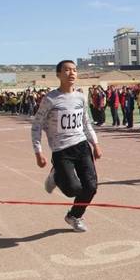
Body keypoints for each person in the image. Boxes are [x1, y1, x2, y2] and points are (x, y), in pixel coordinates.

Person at [30, 60, 102, 232]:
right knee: (73, 190)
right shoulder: (50, 99)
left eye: (74, 70)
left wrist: (95, 144)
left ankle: (74, 216)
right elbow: (37, 125)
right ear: (58, 74)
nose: (71, 73)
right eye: (67, 70)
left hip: (82, 146)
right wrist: (38, 152)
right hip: (62, 151)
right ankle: (56, 176)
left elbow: (86, 123)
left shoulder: (80, 97)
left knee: (91, 187)